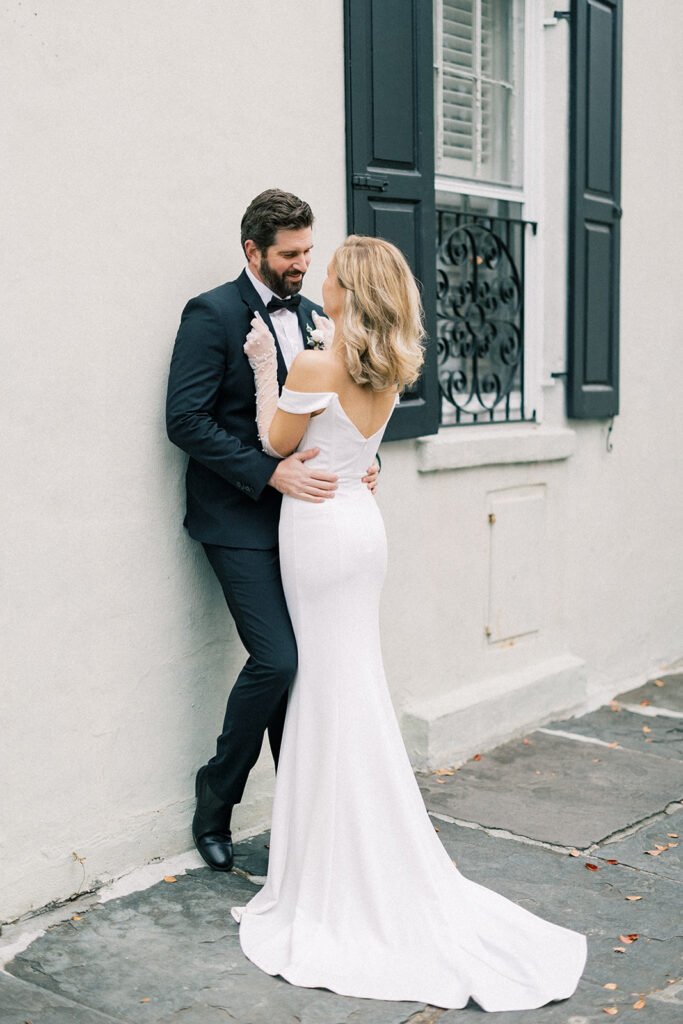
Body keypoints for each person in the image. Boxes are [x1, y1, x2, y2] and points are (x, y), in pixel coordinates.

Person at [232, 235, 587, 1011]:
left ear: (347, 289)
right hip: (360, 529)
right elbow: (360, 448)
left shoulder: (315, 365)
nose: (318, 275)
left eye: (328, 271)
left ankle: (328, 871)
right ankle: (350, 852)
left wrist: (266, 367)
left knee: (326, 689)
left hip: (319, 532)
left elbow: (274, 443)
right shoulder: (384, 366)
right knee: (348, 684)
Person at [166, 190, 380, 873]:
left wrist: (358, 469)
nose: (301, 265)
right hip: (238, 518)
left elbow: (333, 415)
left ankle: (306, 817)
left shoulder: (321, 318)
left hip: (313, 526)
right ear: (252, 251)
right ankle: (216, 797)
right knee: (279, 661)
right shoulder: (211, 313)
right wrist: (270, 475)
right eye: (289, 255)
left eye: (308, 253)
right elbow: (186, 421)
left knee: (312, 669)